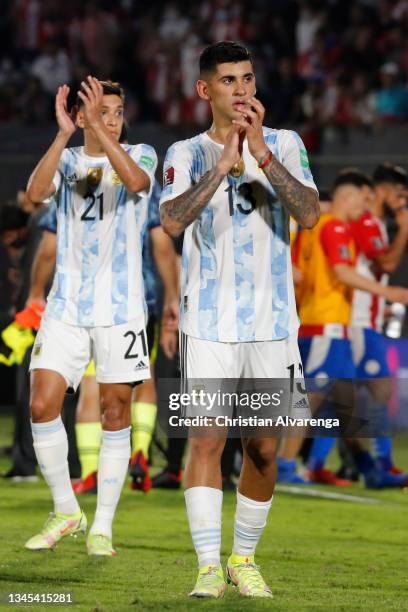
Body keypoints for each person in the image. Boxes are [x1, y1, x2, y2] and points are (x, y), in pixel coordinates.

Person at [160, 41, 320, 599]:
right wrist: (224, 164)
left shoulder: (286, 143)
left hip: (273, 322)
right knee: (207, 439)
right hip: (209, 321)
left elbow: (309, 214)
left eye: (248, 78)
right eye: (229, 80)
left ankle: (242, 559)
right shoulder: (183, 152)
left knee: (265, 448)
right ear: (205, 90)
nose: (242, 89)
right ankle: (207, 564)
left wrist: (260, 155)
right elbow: (173, 221)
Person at [24, 77, 157, 556]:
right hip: (66, 308)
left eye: (118, 110)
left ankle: (103, 523)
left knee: (114, 410)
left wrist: (101, 133)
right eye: (102, 110)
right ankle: (65, 510)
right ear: (80, 115)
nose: (113, 118)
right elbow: (36, 193)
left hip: (121, 310)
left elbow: (138, 185)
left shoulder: (141, 155)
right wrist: (63, 135)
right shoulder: (67, 160)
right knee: (41, 404)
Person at [287, 169, 408, 489]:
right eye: (363, 198)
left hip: (334, 325)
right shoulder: (336, 227)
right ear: (350, 196)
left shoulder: (322, 227)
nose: (366, 206)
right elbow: (343, 272)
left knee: (346, 404)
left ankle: (369, 469)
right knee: (310, 398)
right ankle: (283, 464)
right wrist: (389, 293)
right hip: (327, 324)